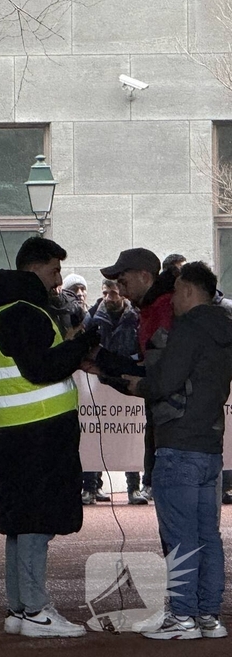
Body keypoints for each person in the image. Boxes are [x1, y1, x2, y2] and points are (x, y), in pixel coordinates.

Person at [0, 237, 98, 638]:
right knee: (34, 520)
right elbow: (41, 368)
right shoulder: (23, 310)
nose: (59, 279)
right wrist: (81, 344)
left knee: (19, 522)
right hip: (38, 434)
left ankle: (19, 609)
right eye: (54, 270)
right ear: (33, 269)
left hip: (14, 432)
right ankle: (35, 609)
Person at [119, 262, 232, 640]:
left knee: (180, 536)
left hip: (178, 443)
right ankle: (208, 617)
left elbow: (165, 381)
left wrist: (138, 384)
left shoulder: (188, 329)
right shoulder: (226, 328)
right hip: (211, 445)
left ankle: (181, 615)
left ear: (187, 291)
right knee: (208, 536)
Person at [97, 248, 176, 501]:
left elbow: (159, 374)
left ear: (144, 276)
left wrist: (104, 364)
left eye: (123, 281)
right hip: (169, 423)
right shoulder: (152, 308)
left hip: (174, 428)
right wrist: (103, 366)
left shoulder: (162, 309)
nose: (120, 289)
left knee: (181, 524)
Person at [82, 279, 148, 505]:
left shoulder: (135, 317)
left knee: (131, 437)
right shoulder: (92, 317)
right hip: (99, 381)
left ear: (122, 294)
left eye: (114, 293)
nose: (110, 298)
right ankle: (89, 487)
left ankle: (134, 488)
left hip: (127, 380)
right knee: (94, 434)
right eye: (106, 293)